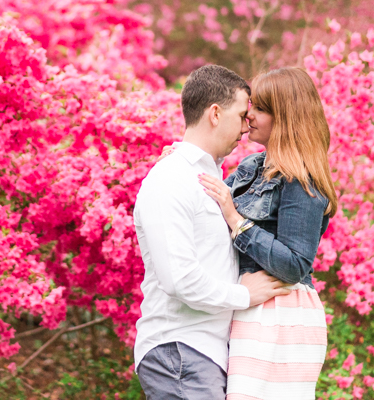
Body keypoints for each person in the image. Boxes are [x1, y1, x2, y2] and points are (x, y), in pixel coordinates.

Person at [134, 64, 292, 400]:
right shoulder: (171, 180)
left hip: (201, 355)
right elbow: (179, 278)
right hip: (180, 350)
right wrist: (244, 295)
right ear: (215, 114)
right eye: (240, 115)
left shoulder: (210, 180)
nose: (246, 127)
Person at [193, 67, 338, 399]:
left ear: (285, 117)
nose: (249, 115)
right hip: (252, 304)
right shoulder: (252, 168)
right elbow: (210, 204)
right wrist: (187, 162)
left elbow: (295, 264)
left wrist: (236, 220)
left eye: (260, 109)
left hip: (281, 312)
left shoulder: (301, 181)